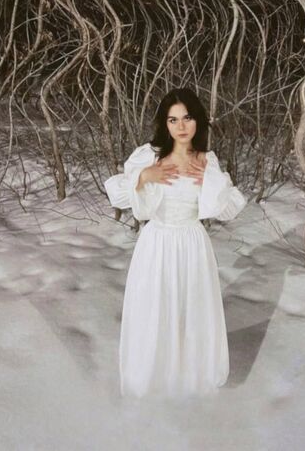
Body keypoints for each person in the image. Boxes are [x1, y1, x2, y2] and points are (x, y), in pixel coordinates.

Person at [104, 88, 246, 399]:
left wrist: (210, 181)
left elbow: (229, 208)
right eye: (173, 120)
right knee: (154, 305)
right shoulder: (149, 156)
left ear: (198, 121)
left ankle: (189, 371)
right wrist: (144, 176)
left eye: (187, 118)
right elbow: (118, 192)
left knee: (191, 305)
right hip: (156, 242)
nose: (181, 126)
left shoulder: (206, 161)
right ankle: (153, 372)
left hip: (192, 243)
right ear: (164, 124)